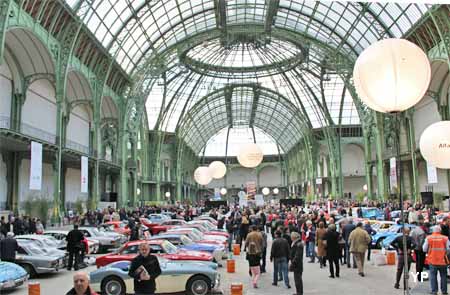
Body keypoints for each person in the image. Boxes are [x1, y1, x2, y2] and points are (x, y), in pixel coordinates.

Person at [423, 225, 450, 295]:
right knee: (443, 276)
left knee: (433, 276)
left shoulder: (428, 238)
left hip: (432, 260)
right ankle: (444, 291)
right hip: (442, 261)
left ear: (433, 231)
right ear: (440, 231)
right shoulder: (445, 238)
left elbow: (424, 249)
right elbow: (448, 249)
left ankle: (434, 291)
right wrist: (444, 253)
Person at [410, 217, 427, 282]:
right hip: (420, 249)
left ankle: (418, 276)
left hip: (415, 248)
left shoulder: (413, 230)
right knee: (421, 264)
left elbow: (411, 238)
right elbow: (421, 242)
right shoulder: (422, 232)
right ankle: (420, 277)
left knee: (417, 263)